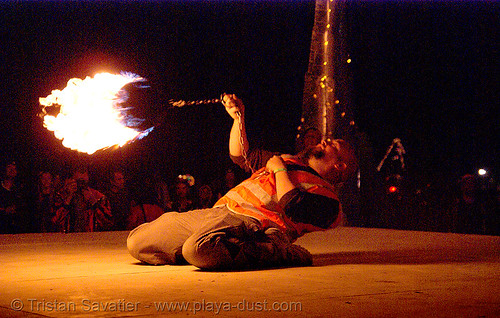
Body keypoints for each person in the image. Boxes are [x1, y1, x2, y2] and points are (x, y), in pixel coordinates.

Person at [127, 94, 357, 270]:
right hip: (218, 214)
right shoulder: (288, 160)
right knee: (137, 242)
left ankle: (282, 253)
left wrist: (277, 169)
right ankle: (215, 251)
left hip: (254, 227)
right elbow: (240, 155)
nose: (325, 141)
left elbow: (293, 204)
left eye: (334, 145)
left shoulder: (330, 201)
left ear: (340, 166)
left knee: (196, 250)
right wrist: (238, 117)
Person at [53, 165, 113, 232]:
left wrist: (94, 202)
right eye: (79, 172)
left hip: (91, 237)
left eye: (84, 173)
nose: (82, 176)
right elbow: (55, 221)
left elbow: (107, 222)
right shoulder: (61, 195)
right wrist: (68, 198)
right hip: (67, 238)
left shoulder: (98, 196)